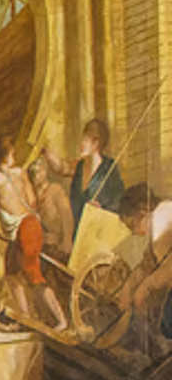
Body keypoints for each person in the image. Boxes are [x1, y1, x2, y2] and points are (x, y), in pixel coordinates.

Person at [0, 134, 74, 336]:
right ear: (7, 156)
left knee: (34, 275)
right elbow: (32, 202)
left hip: (26, 230)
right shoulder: (20, 173)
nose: (13, 156)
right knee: (12, 274)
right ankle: (27, 319)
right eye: (11, 153)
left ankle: (62, 320)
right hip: (28, 227)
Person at [42, 117, 126, 236]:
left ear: (95, 143)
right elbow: (61, 168)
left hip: (99, 231)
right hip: (76, 231)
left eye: (85, 140)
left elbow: (120, 200)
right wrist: (45, 152)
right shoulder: (79, 166)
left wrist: (101, 208)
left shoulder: (109, 168)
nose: (81, 144)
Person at [118, 183, 172, 344]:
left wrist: (147, 285)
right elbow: (148, 264)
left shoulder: (163, 219)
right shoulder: (158, 221)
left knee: (168, 325)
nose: (133, 233)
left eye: (131, 226)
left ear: (142, 214)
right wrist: (128, 286)